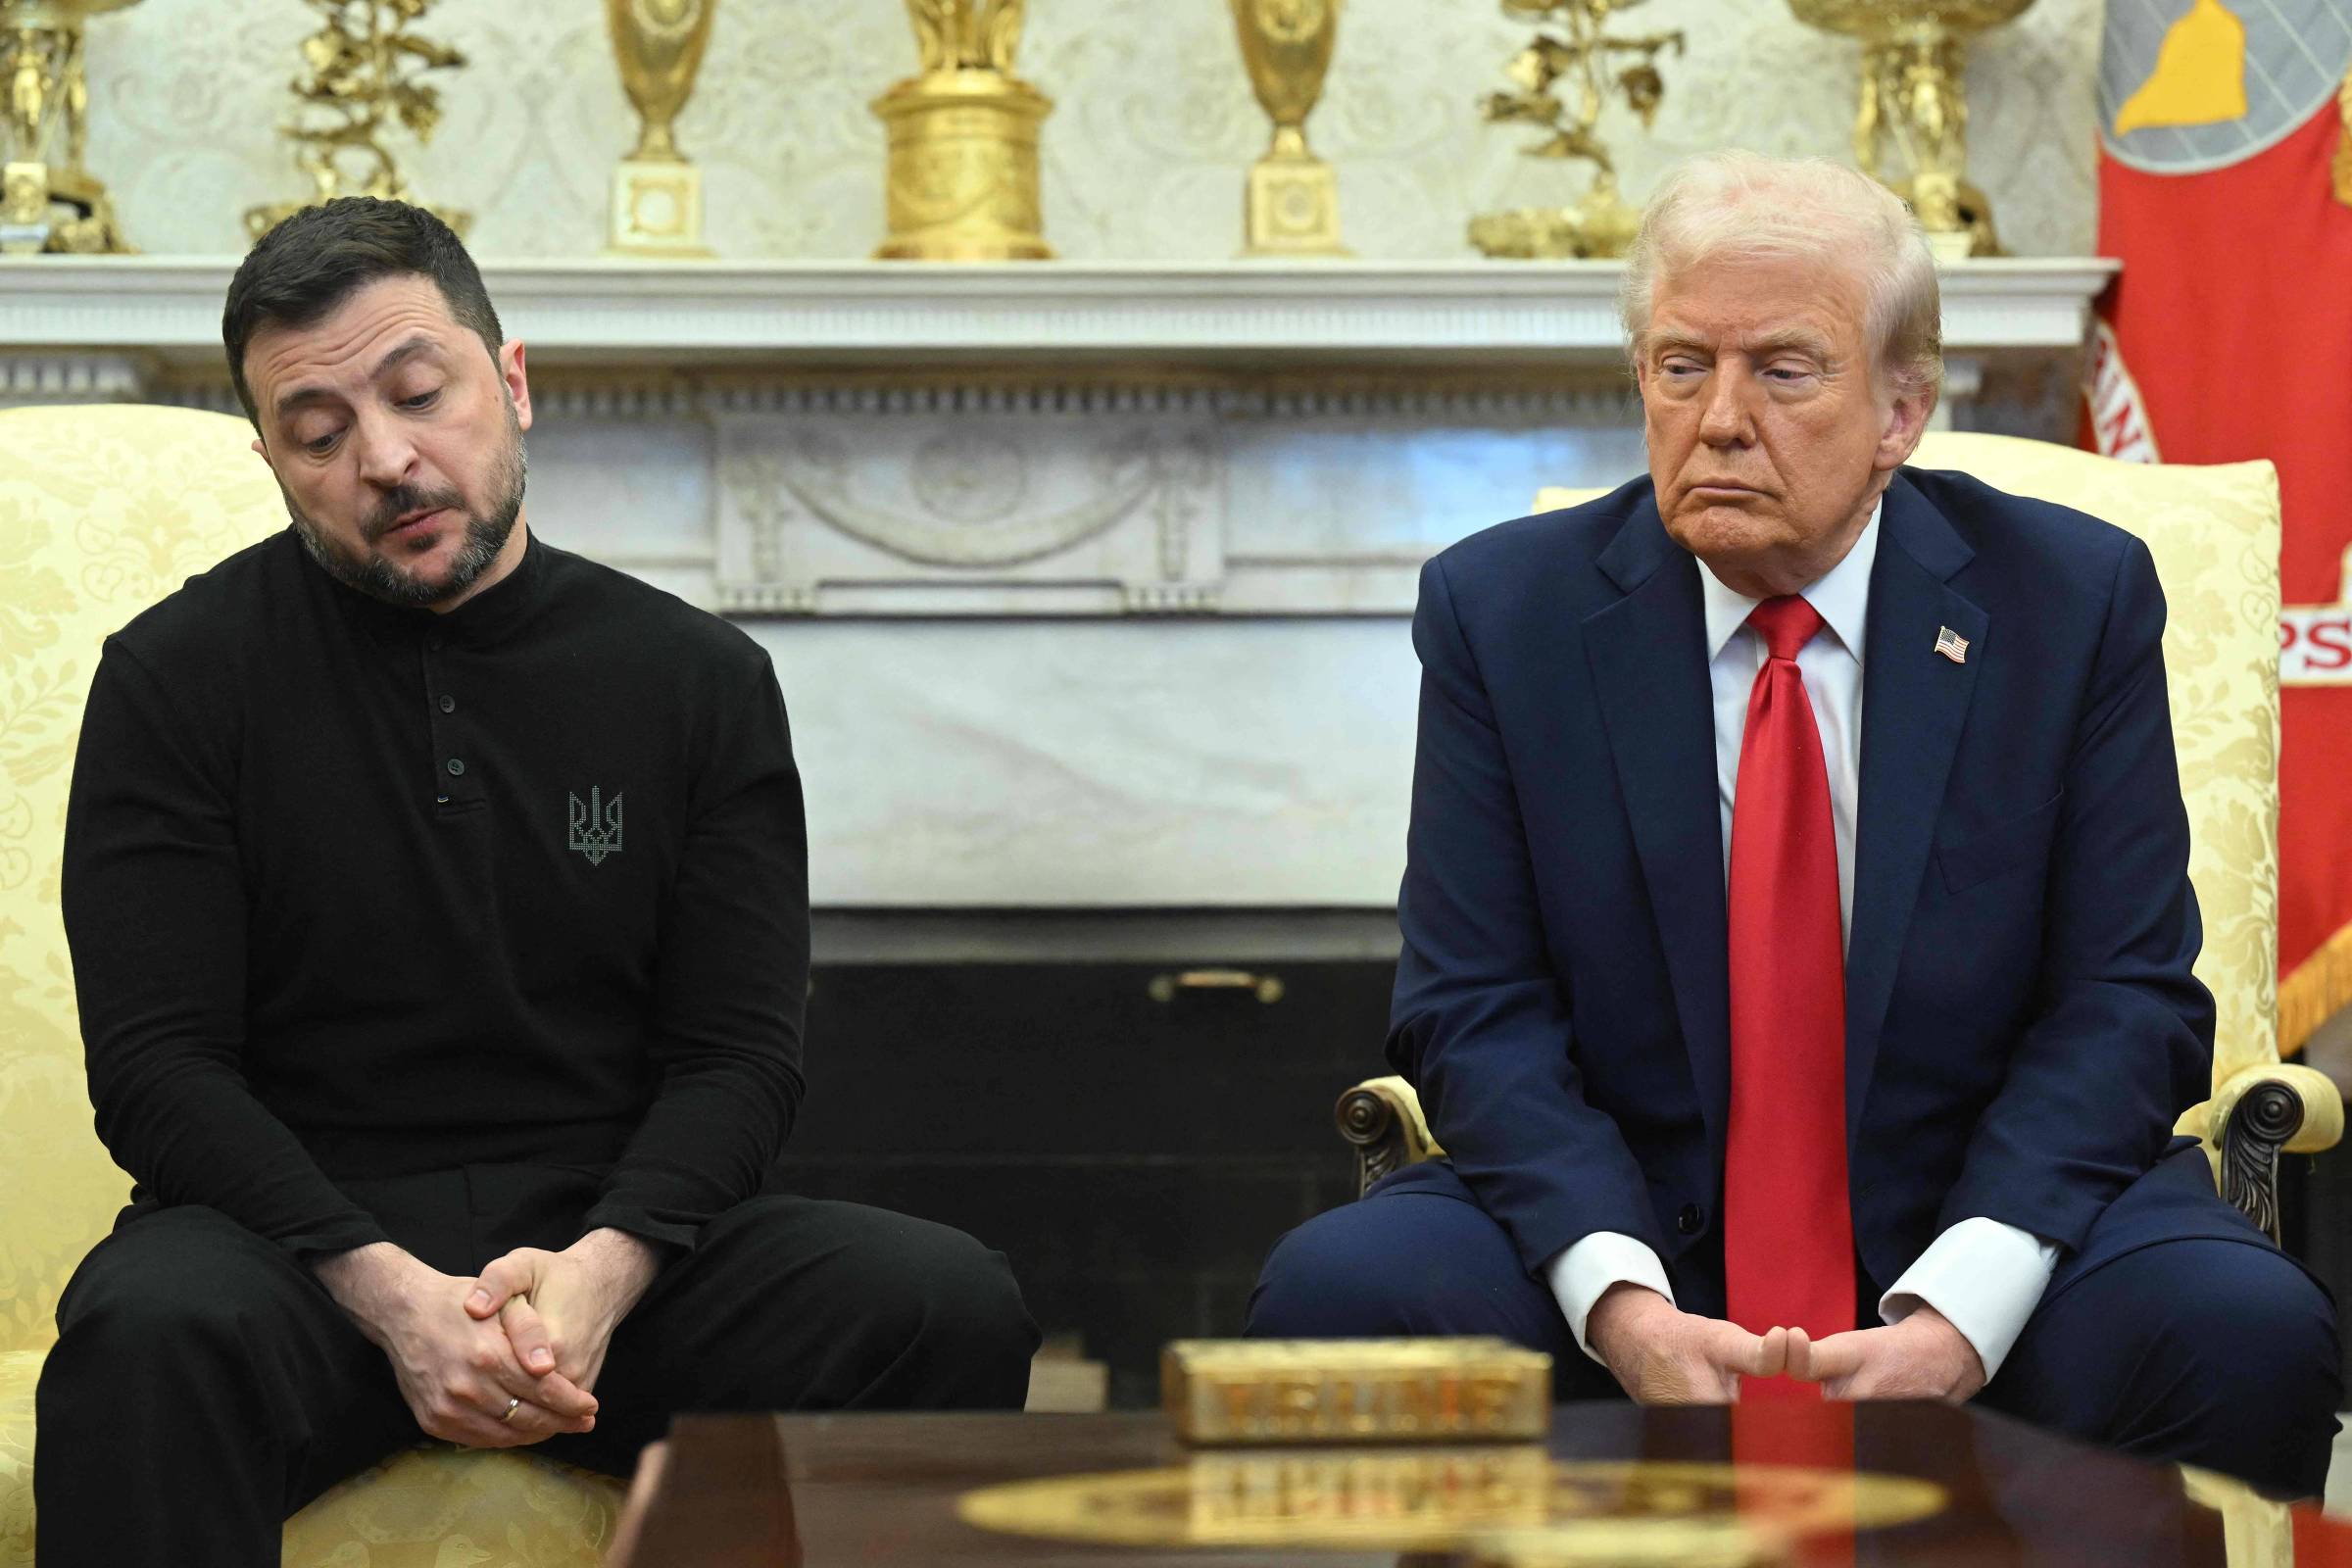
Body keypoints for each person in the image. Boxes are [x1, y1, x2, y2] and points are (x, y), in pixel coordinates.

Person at [1247, 151, 2340, 1497]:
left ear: (1901, 413)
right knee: (1348, 1288)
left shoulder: (2070, 601)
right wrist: (1622, 1305)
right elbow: (1474, 1007)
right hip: (1625, 1225)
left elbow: (2126, 1000)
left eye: (1783, 369)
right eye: (1679, 365)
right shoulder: (1503, 614)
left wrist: (1963, 1308)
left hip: (1986, 1215)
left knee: (2242, 1329)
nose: (1716, 418)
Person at [36, 196, 1038, 1565]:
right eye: (319, 434)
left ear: (511, 384)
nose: (385, 458)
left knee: (944, 1303)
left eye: (418, 392)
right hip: (295, 1261)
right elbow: (157, 1070)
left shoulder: (694, 680)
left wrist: (602, 1274)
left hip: (613, 1258)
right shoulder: (174, 680)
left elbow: (740, 1056)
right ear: (275, 462)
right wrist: (390, 1297)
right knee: (147, 1332)